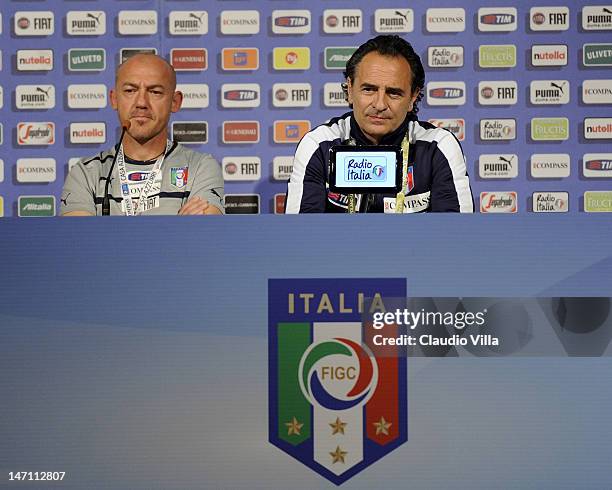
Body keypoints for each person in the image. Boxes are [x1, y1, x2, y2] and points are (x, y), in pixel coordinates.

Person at [285, 35, 473, 213]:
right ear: (350, 89)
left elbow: (455, 235)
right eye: (369, 89)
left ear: (413, 97)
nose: (380, 104)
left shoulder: (438, 147)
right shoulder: (319, 146)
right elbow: (302, 235)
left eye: (394, 93)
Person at [61, 54, 223, 216]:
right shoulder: (86, 173)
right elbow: (79, 238)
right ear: (114, 99)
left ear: (175, 102)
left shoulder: (200, 168)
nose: (141, 103)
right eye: (130, 91)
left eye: (155, 92)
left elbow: (202, 235)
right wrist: (177, 227)